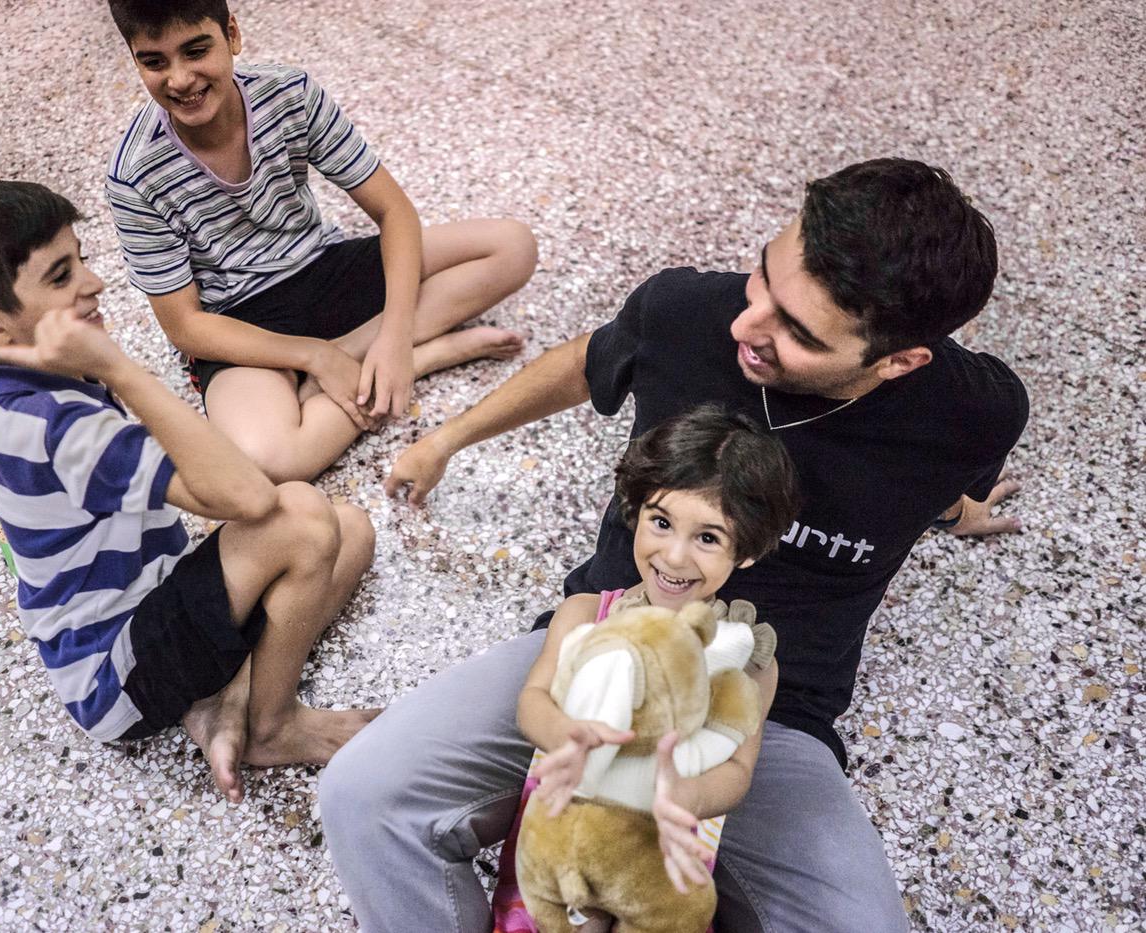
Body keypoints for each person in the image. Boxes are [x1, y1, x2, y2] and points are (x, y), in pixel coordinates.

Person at [321, 158, 1029, 931]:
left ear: (899, 361)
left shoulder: (972, 414)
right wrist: (448, 439)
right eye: (763, 279)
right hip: (604, 651)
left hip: (773, 712)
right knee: (364, 792)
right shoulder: (686, 312)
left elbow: (947, 485)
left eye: (796, 331)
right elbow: (588, 359)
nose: (746, 324)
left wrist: (957, 513)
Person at [0, 181, 379, 805]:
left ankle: (225, 701)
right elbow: (251, 497)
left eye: (83, 257)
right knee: (302, 519)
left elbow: (203, 471)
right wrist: (124, 368)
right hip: (115, 677)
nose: (94, 282)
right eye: (62, 275)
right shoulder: (56, 425)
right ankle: (271, 726)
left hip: (154, 596)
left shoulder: (28, 379)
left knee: (352, 529)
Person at [103, 0, 538, 482]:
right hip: (240, 321)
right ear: (135, 59)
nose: (180, 79)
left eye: (196, 50)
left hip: (323, 263)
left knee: (511, 246)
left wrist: (394, 338)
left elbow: (393, 210)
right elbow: (185, 327)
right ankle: (427, 353)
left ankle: (380, 358)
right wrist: (315, 355)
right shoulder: (134, 175)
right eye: (154, 61)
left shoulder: (289, 92)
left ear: (232, 35)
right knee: (266, 461)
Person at [493, 406, 800, 932]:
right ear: (635, 513)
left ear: (746, 553)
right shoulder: (586, 615)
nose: (674, 556)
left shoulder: (746, 665)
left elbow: (736, 769)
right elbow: (534, 700)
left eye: (708, 538)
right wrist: (569, 735)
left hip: (664, 854)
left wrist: (687, 796)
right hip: (567, 834)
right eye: (661, 523)